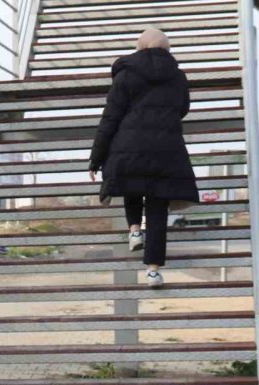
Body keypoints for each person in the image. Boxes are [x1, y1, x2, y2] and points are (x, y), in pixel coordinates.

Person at [88, 28, 199, 287]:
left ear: (139, 47)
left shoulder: (126, 74)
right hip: (167, 149)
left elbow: (111, 116)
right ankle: (153, 271)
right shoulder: (178, 77)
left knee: (132, 187)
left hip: (130, 145)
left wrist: (96, 156)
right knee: (158, 207)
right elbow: (183, 108)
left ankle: (135, 230)